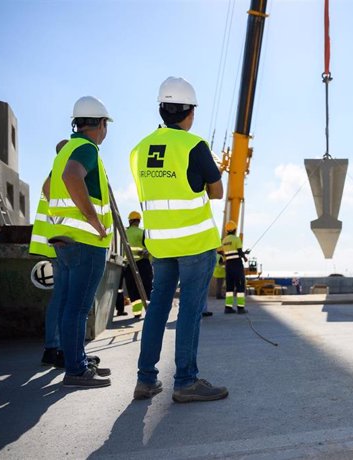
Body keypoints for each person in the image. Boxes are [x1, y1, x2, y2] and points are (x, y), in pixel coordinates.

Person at [131, 76, 227, 403]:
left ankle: (145, 379)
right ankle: (185, 381)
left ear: (162, 109)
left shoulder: (138, 150)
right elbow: (217, 191)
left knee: (157, 308)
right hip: (195, 244)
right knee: (189, 310)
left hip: (159, 245)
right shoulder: (193, 145)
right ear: (189, 112)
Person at [46, 96, 113, 388]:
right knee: (78, 309)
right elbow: (72, 176)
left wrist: (65, 217)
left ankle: (79, 361)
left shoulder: (66, 149)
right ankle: (75, 370)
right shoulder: (87, 148)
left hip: (64, 241)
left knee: (69, 307)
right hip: (86, 243)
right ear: (100, 124)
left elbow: (49, 187)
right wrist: (92, 219)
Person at [31, 140, 67, 366]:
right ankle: (58, 349)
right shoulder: (62, 168)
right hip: (62, 242)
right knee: (64, 298)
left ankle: (54, 348)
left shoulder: (57, 169)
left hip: (56, 242)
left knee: (60, 297)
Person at [123, 210, 153, 318]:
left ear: (130, 221)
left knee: (132, 289)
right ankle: (149, 311)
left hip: (129, 265)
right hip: (143, 264)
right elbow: (150, 249)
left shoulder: (124, 233)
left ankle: (137, 313)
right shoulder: (143, 232)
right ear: (139, 221)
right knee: (147, 287)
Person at [222, 220, 248, 314]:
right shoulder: (236, 239)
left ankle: (228, 308)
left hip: (228, 265)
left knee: (229, 287)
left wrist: (242, 253)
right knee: (240, 285)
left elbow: (229, 253)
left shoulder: (224, 240)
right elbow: (239, 252)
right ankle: (240, 308)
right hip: (237, 264)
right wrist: (245, 257)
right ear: (234, 229)